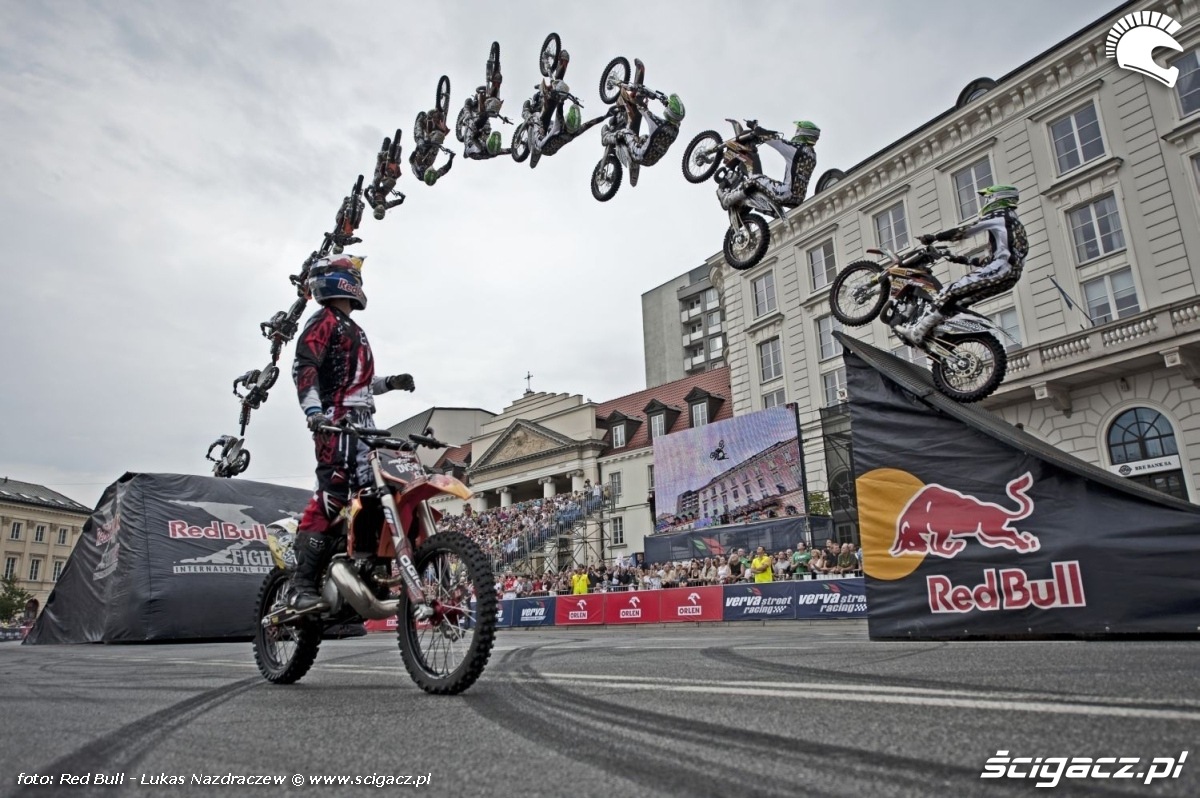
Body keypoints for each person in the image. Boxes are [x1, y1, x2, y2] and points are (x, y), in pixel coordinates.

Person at [289, 253, 416, 612]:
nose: (358, 281)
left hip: (364, 423)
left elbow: (358, 382)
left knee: (379, 491)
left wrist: (390, 382)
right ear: (338, 281)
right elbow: (305, 368)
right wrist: (314, 411)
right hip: (334, 419)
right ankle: (300, 586)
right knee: (332, 494)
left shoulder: (354, 330)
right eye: (353, 275)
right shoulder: (322, 322)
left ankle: (371, 570)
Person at [898, 185, 1029, 343]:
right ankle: (943, 336)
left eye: (987, 198)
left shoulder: (1000, 216)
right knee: (957, 303)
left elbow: (965, 231)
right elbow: (991, 259)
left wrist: (934, 237)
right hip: (1009, 277)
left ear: (997, 198)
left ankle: (917, 331)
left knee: (948, 291)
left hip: (1001, 270)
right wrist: (963, 259)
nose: (985, 202)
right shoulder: (1015, 224)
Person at [720, 120, 819, 211]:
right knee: (763, 182)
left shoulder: (796, 150)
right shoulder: (813, 156)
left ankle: (727, 200)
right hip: (798, 199)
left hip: (785, 192)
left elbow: (775, 141)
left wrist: (755, 127)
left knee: (755, 178)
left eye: (798, 130)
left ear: (802, 133)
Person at [409, 109, 454, 186]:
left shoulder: (418, 172)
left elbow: (411, 160)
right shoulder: (433, 175)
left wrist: (416, 151)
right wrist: (451, 158)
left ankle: (419, 123)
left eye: (430, 170)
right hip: (431, 156)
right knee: (437, 143)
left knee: (421, 142)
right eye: (433, 170)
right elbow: (445, 169)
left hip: (420, 154)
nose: (432, 168)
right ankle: (439, 128)